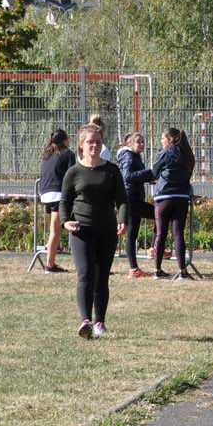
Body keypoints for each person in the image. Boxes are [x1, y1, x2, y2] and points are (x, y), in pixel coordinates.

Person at [60, 123, 125, 338]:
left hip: (106, 230)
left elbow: (122, 200)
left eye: (98, 142)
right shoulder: (73, 172)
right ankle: (85, 321)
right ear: (81, 145)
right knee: (85, 273)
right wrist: (65, 222)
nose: (94, 145)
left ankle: (100, 322)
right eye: (90, 142)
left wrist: (122, 220)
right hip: (81, 231)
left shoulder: (111, 170)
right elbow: (65, 201)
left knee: (102, 276)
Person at [144, 126, 196, 278]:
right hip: (182, 196)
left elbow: (154, 172)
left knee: (161, 234)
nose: (161, 141)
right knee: (178, 234)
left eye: (162, 138)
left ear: (170, 139)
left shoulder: (167, 151)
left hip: (164, 195)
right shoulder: (187, 154)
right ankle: (182, 271)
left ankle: (157, 270)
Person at [115, 131, 153, 278]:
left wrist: (149, 177)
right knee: (159, 214)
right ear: (130, 144)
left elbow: (136, 176)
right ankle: (154, 248)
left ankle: (134, 269)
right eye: (138, 142)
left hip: (134, 197)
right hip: (131, 199)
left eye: (143, 141)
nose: (141, 144)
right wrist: (148, 173)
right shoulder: (129, 156)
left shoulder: (134, 155)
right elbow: (128, 176)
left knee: (132, 234)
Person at [37, 129, 74, 273]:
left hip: (44, 193)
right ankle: (50, 265)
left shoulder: (46, 154)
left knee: (55, 229)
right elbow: (72, 175)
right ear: (65, 140)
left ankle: (50, 258)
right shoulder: (68, 154)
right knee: (55, 231)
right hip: (58, 194)